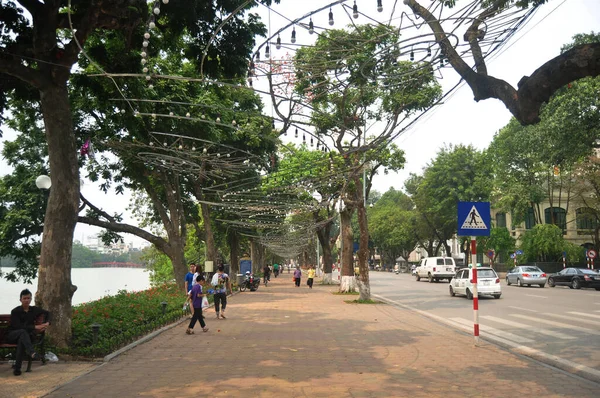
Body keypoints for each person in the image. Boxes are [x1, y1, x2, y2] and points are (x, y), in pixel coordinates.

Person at [6, 289, 50, 376]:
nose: (26, 300)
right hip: (12, 335)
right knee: (22, 332)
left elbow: (48, 313)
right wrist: (35, 327)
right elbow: (17, 327)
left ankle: (17, 369)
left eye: (28, 298)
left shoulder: (34, 310)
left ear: (31, 299)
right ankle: (31, 352)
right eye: (24, 298)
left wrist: (48, 322)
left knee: (22, 340)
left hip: (25, 337)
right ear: (20, 300)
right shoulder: (15, 311)